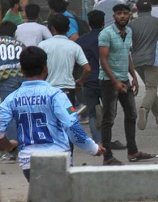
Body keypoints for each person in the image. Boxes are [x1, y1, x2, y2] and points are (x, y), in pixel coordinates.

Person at [0, 46, 105, 181]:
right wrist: (93, 148)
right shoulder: (57, 95)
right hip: (57, 160)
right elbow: (72, 125)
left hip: (29, 164)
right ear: (46, 68)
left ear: (21, 70)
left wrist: (9, 146)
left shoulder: (11, 99)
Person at [99, 3, 156, 165]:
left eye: (125, 13)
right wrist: (115, 81)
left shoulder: (129, 31)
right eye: (118, 13)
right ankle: (107, 156)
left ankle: (132, 152)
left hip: (124, 80)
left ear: (130, 15)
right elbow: (103, 59)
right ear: (113, 16)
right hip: (109, 82)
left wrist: (134, 76)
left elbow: (127, 55)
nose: (122, 16)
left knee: (131, 114)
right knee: (108, 118)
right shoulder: (106, 34)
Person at [128, 0, 158, 130]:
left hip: (137, 60)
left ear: (137, 9)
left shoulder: (131, 24)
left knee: (150, 88)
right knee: (151, 88)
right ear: (151, 9)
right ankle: (144, 108)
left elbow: (126, 42)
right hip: (153, 59)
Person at [39, 14, 91, 108]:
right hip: (68, 92)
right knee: (68, 117)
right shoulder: (74, 46)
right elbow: (87, 69)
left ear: (52, 29)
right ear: (68, 29)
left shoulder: (42, 45)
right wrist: (80, 81)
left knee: (50, 118)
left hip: (48, 91)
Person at [76, 10, 105, 144]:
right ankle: (106, 139)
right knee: (109, 112)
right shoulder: (109, 37)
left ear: (88, 23)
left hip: (89, 80)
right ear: (104, 23)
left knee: (92, 113)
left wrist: (80, 80)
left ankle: (97, 141)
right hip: (107, 80)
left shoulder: (81, 41)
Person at [0, 21, 25, 163]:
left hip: (5, 82)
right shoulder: (20, 44)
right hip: (21, 79)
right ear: (14, 32)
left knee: (8, 114)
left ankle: (12, 150)